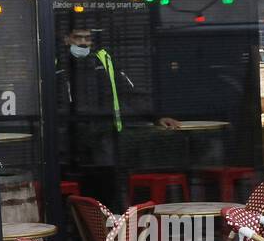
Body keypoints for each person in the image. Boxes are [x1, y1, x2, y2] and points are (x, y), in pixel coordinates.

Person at [57, 24, 179, 209]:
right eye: (78, 37)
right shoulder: (57, 68)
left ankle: (108, 233)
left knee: (107, 196)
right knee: (75, 201)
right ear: (67, 40)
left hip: (103, 143)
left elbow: (129, 93)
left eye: (87, 38)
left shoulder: (104, 64)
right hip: (71, 145)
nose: (83, 43)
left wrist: (155, 117)